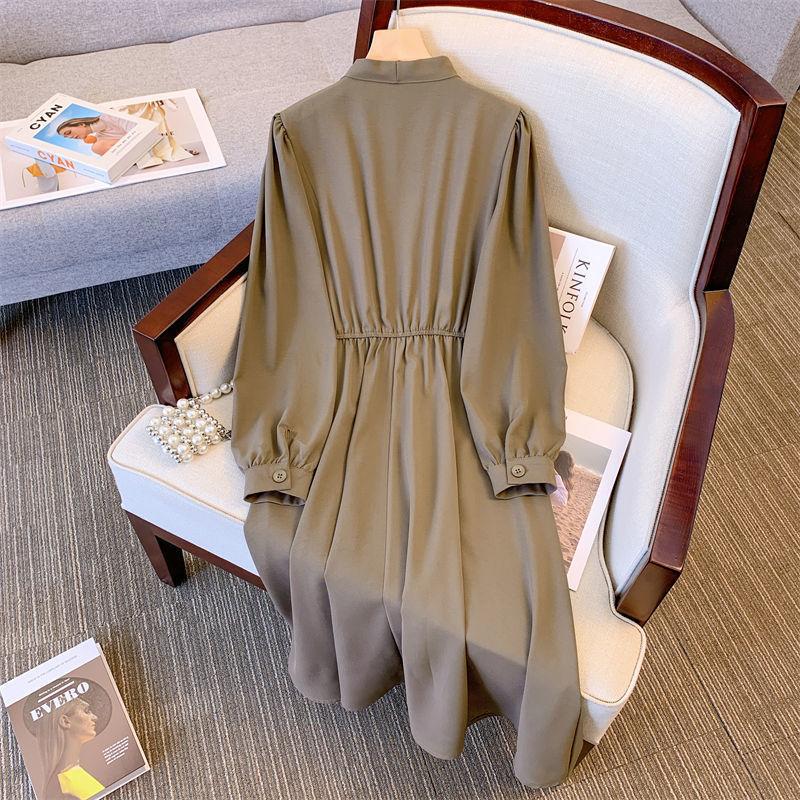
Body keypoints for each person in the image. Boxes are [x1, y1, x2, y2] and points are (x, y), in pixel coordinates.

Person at [35, 696, 105, 800]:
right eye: (86, 711)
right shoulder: (66, 786)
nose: (95, 717)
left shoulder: (72, 776)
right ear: (65, 721)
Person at [56, 113, 136, 156]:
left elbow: (136, 129)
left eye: (68, 133)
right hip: (133, 152)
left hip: (139, 141)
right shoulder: (100, 139)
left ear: (81, 124)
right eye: (66, 137)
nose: (70, 137)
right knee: (97, 147)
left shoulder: (109, 116)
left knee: (97, 147)